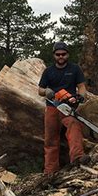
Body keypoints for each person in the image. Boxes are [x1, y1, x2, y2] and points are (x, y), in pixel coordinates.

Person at [38, 41, 88, 174]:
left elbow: (81, 86)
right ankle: (50, 171)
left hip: (68, 107)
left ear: (67, 54)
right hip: (53, 107)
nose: (61, 57)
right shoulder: (48, 71)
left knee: (74, 126)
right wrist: (46, 91)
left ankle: (77, 156)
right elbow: (40, 90)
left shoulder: (74, 69)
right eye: (58, 54)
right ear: (54, 55)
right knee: (50, 139)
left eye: (63, 54)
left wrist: (80, 97)